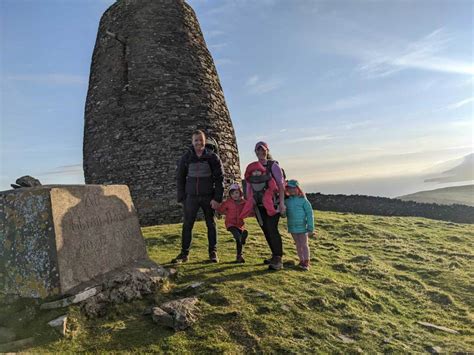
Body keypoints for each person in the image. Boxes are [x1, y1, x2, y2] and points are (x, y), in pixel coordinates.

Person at [173, 130, 224, 263]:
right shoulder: (186, 157)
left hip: (208, 196)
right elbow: (180, 178)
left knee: (211, 224)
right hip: (191, 197)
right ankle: (184, 254)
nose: (198, 143)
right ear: (192, 142)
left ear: (204, 141)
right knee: (187, 225)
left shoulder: (212, 157)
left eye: (201, 140)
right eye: (196, 140)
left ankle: (213, 252)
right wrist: (182, 198)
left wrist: (217, 199)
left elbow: (219, 179)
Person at [245, 141, 286, 270]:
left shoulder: (273, 166)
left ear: (267, 151)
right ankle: (274, 255)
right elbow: (249, 185)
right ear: (255, 152)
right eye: (258, 150)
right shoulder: (253, 167)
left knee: (272, 229)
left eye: (263, 150)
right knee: (266, 230)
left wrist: (282, 203)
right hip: (258, 205)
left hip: (272, 204)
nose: (261, 152)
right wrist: (249, 202)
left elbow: (281, 185)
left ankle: (278, 259)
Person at [285, 179, 315, 271]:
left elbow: (310, 213)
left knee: (304, 244)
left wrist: (310, 227)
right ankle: (301, 260)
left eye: (294, 188)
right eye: (289, 188)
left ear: (298, 188)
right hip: (292, 227)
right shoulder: (287, 201)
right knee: (298, 245)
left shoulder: (303, 201)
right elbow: (284, 214)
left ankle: (306, 262)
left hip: (303, 227)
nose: (292, 190)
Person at [215, 183, 249, 263]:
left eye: (236, 193)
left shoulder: (243, 202)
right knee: (238, 237)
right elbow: (221, 209)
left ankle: (239, 256)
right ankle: (242, 241)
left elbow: (249, 209)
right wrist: (218, 208)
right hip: (230, 224)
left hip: (240, 224)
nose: (235, 195)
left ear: (240, 193)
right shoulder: (228, 202)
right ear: (230, 195)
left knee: (239, 240)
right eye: (232, 194)